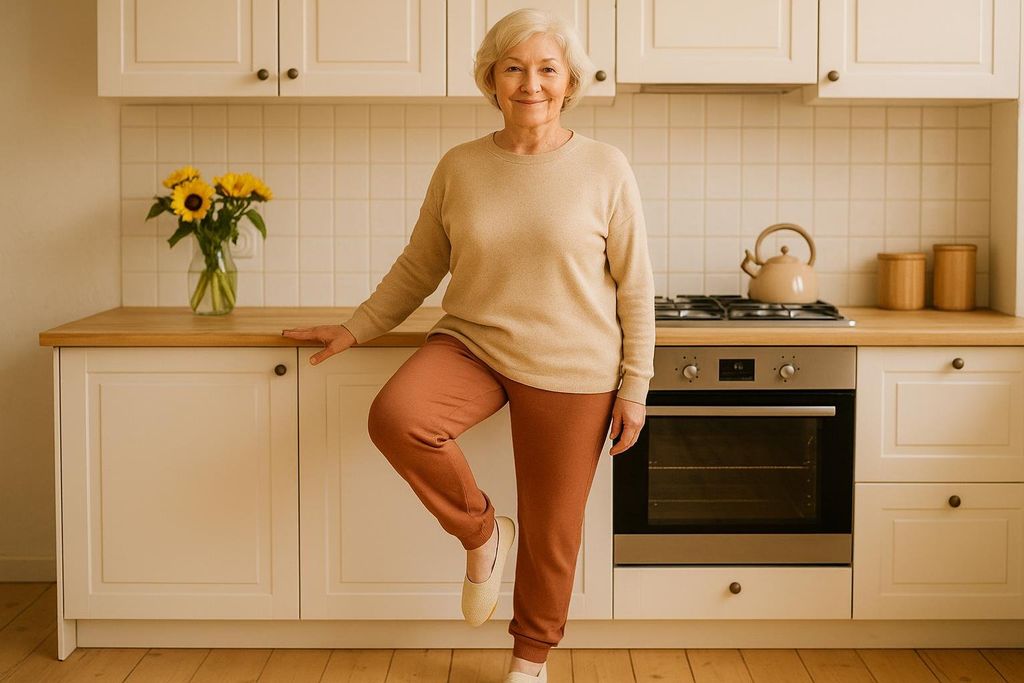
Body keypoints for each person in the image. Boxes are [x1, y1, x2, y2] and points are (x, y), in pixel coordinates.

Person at [282, 8, 654, 682]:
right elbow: (419, 267)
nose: (530, 83)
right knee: (397, 417)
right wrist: (355, 327)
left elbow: (636, 286)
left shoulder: (605, 166)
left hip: (574, 365)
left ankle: (529, 664)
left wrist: (635, 386)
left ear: (569, 81)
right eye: (514, 68)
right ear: (491, 78)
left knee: (552, 530)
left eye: (546, 68)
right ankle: (482, 534)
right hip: (473, 344)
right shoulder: (461, 166)